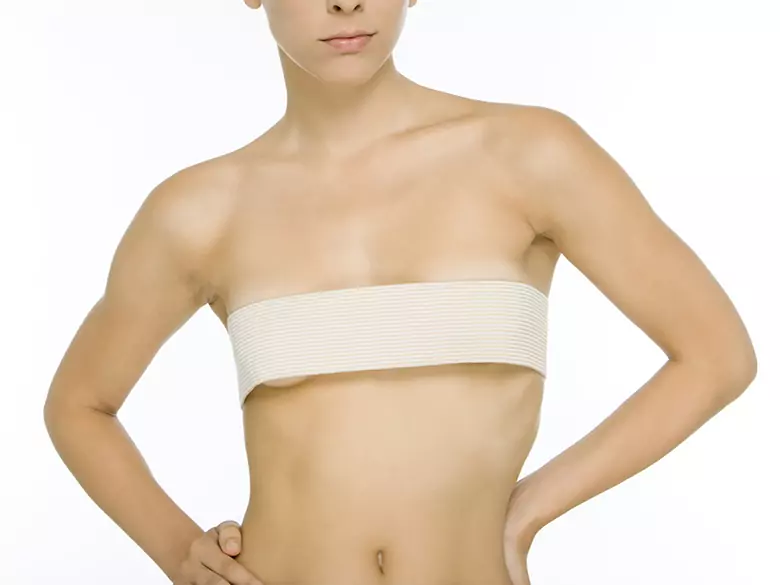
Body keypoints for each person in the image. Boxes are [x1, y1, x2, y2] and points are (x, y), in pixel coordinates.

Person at [42, 0, 758, 584]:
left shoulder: (530, 154)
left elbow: (717, 356)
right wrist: (177, 550)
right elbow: (79, 404)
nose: (345, 3)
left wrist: (527, 511)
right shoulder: (201, 209)